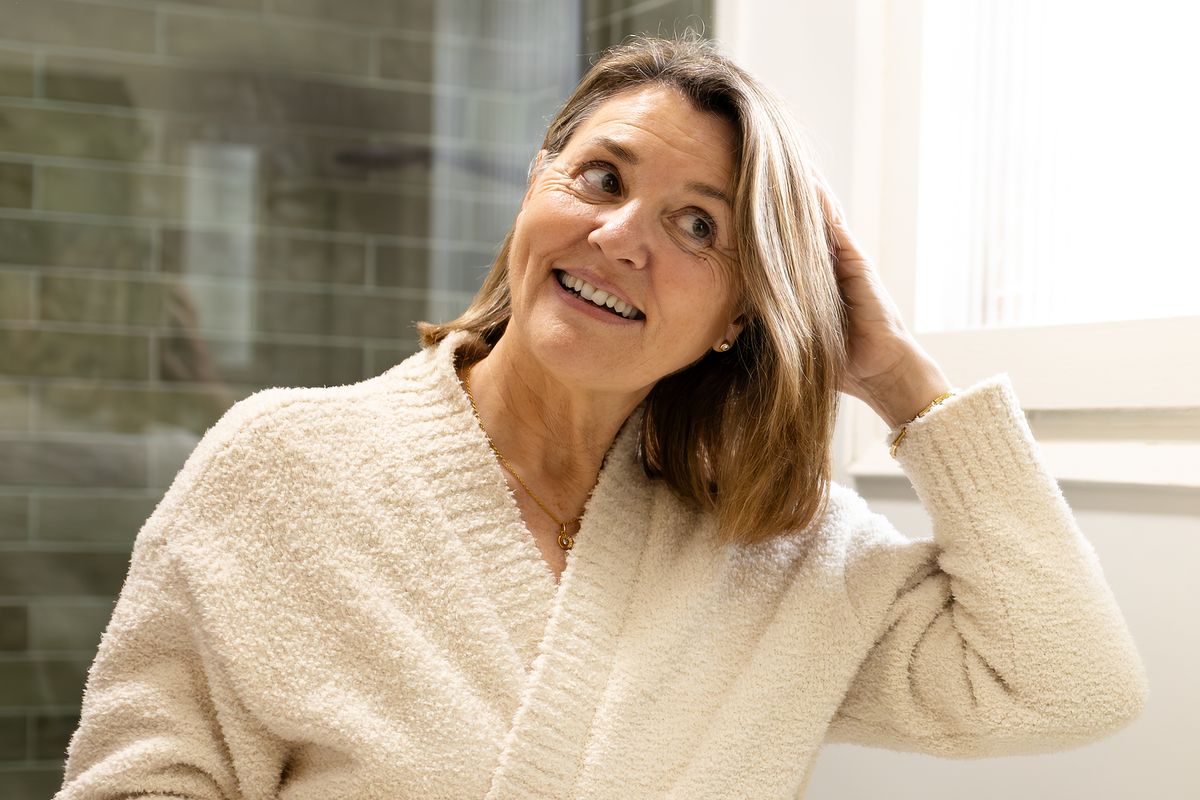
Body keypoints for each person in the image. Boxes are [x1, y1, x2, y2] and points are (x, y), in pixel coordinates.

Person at [56, 36, 1146, 800]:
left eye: (698, 225)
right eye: (599, 175)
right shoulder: (284, 463)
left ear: (738, 315)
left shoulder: (782, 548)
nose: (622, 235)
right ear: (536, 188)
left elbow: (1068, 683)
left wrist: (901, 379)